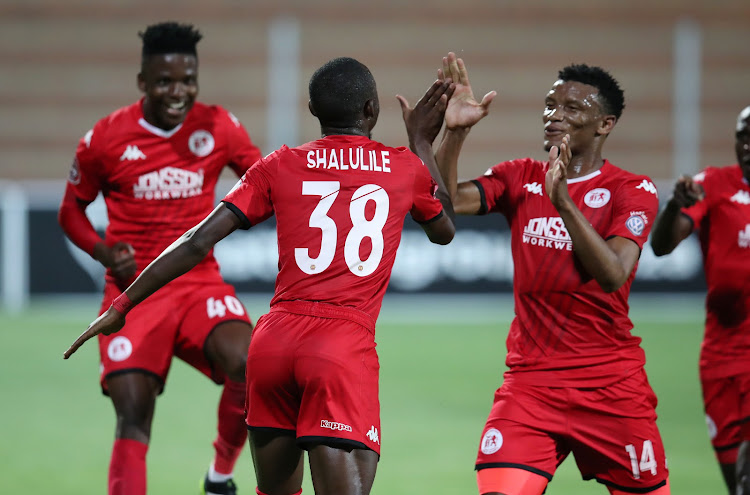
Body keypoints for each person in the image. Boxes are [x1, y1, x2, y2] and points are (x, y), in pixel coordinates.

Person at [63, 57, 456, 495]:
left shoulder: (280, 163)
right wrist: (422, 141)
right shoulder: (403, 168)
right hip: (340, 347)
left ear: (312, 110)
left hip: (271, 347)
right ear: (371, 109)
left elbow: (196, 241)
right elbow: (444, 231)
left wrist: (123, 305)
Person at [434, 53, 670, 494]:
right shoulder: (519, 176)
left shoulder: (631, 190)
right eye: (549, 105)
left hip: (611, 388)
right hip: (530, 385)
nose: (554, 116)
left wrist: (562, 202)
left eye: (572, 109)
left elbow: (614, 274)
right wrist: (456, 133)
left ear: (605, 125)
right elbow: (444, 206)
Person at [57, 22, 263, 495]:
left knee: (251, 365)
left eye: (188, 79)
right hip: (131, 294)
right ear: (143, 83)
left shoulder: (219, 127)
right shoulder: (106, 139)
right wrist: (103, 250)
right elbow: (71, 212)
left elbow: (260, 180)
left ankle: (220, 475)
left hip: (198, 284)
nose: (179, 91)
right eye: (166, 81)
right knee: (133, 413)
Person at [650, 105, 750, 494]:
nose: (748, 145)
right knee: (737, 482)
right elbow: (661, 245)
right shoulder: (715, 184)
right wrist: (675, 204)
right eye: (744, 137)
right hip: (722, 358)